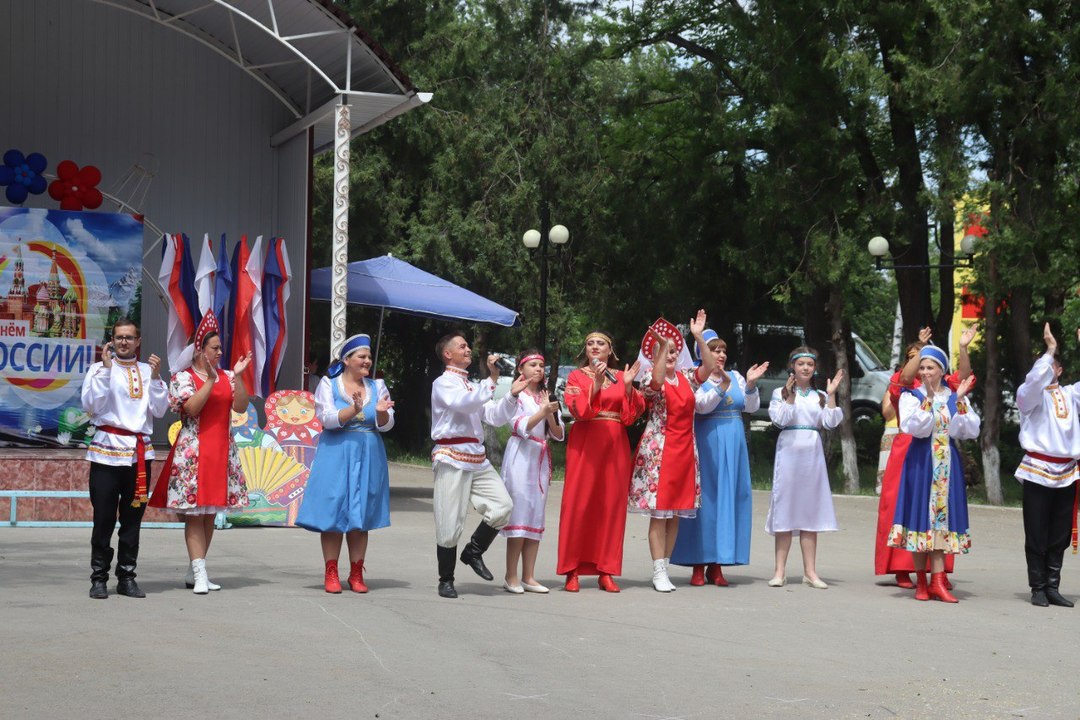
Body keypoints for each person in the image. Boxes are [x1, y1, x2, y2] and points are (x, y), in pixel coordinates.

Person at [149, 311, 251, 594]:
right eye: (214, 348)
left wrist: (238, 378)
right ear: (199, 350)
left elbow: (240, 407)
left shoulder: (228, 376)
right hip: (194, 451)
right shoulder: (183, 377)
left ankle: (197, 569)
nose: (220, 352)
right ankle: (199, 572)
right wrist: (209, 381)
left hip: (221, 451)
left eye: (220, 348)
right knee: (195, 514)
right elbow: (191, 409)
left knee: (209, 515)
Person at [874, 326, 975, 588]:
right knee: (908, 506)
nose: (923, 367)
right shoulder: (907, 388)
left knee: (938, 510)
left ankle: (937, 574)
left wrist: (963, 348)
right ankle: (902, 568)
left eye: (928, 362)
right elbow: (893, 407)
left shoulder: (947, 389)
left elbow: (964, 379)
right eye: (917, 359)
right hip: (910, 446)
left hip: (940, 451)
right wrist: (921, 349)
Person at [296, 334, 395, 594]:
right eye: (362, 357)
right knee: (333, 512)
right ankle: (331, 571)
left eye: (369, 357)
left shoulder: (378, 386)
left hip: (368, 451)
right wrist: (353, 409)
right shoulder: (329, 385)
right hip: (336, 452)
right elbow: (326, 418)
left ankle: (356, 572)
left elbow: (386, 424)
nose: (367, 361)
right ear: (347, 359)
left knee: (360, 514)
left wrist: (383, 411)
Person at [670, 329, 768, 587]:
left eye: (723, 350)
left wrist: (750, 385)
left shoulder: (735, 375)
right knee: (706, 501)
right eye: (715, 350)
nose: (721, 355)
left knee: (730, 499)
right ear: (703, 354)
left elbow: (750, 406)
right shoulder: (697, 378)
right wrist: (720, 385)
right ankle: (697, 564)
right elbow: (701, 406)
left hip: (734, 443)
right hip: (708, 441)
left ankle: (718, 564)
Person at [81, 318, 168, 599]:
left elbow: (159, 408)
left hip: (138, 455)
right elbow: (91, 406)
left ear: (138, 341)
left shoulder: (147, 371)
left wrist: (155, 378)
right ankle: (99, 577)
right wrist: (107, 371)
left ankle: (127, 576)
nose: (123, 342)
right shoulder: (98, 369)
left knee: (132, 519)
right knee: (103, 517)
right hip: (106, 451)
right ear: (112, 339)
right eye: (119, 337)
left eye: (129, 337)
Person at [430, 334, 523, 599]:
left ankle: (473, 551)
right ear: (448, 354)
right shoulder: (443, 383)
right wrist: (491, 380)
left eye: (468, 346)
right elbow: (463, 404)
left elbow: (493, 416)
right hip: (451, 453)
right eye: (462, 346)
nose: (468, 349)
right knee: (449, 520)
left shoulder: (471, 386)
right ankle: (445, 579)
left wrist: (512, 396)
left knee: (502, 506)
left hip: (476, 456)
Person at [629, 312, 714, 592]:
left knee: (676, 513)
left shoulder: (687, 377)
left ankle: (665, 564)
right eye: (664, 351)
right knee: (659, 513)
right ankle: (657, 569)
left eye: (675, 350)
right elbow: (654, 383)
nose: (670, 354)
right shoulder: (649, 380)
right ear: (653, 356)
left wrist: (699, 337)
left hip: (686, 451)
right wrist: (662, 347)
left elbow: (709, 367)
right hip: (659, 451)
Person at [558, 331, 643, 593]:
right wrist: (595, 384)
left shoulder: (620, 376)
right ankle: (572, 570)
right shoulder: (576, 376)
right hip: (585, 445)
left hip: (615, 446)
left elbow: (631, 416)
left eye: (601, 344)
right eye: (590, 343)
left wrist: (628, 386)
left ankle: (606, 570)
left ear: (610, 350)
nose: (595, 347)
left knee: (610, 506)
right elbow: (578, 410)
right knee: (579, 503)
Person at [766, 346, 843, 589]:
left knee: (810, 511)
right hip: (789, 451)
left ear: (815, 368)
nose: (806, 368)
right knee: (785, 510)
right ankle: (779, 571)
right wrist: (789, 397)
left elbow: (830, 422)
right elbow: (780, 420)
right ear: (793, 367)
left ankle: (810, 571)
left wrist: (831, 395)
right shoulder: (781, 392)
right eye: (801, 364)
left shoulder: (819, 395)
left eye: (810, 364)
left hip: (812, 454)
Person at [1015, 324, 1080, 607]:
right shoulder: (1029, 397)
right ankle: (1037, 587)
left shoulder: (1071, 395)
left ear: (1060, 370)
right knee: (1037, 531)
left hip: (1067, 472)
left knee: (1060, 533)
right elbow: (1033, 382)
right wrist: (1050, 349)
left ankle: (1053, 585)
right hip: (1038, 470)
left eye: (1051, 365)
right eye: (1041, 365)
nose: (1045, 369)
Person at [498, 349, 564, 594]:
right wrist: (542, 412)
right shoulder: (516, 395)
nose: (538, 369)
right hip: (520, 458)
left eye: (541, 365)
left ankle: (529, 575)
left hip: (540, 459)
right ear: (520, 369)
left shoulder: (547, 395)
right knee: (520, 515)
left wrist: (551, 414)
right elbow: (519, 425)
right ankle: (510, 575)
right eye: (533, 365)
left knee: (536, 515)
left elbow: (557, 434)